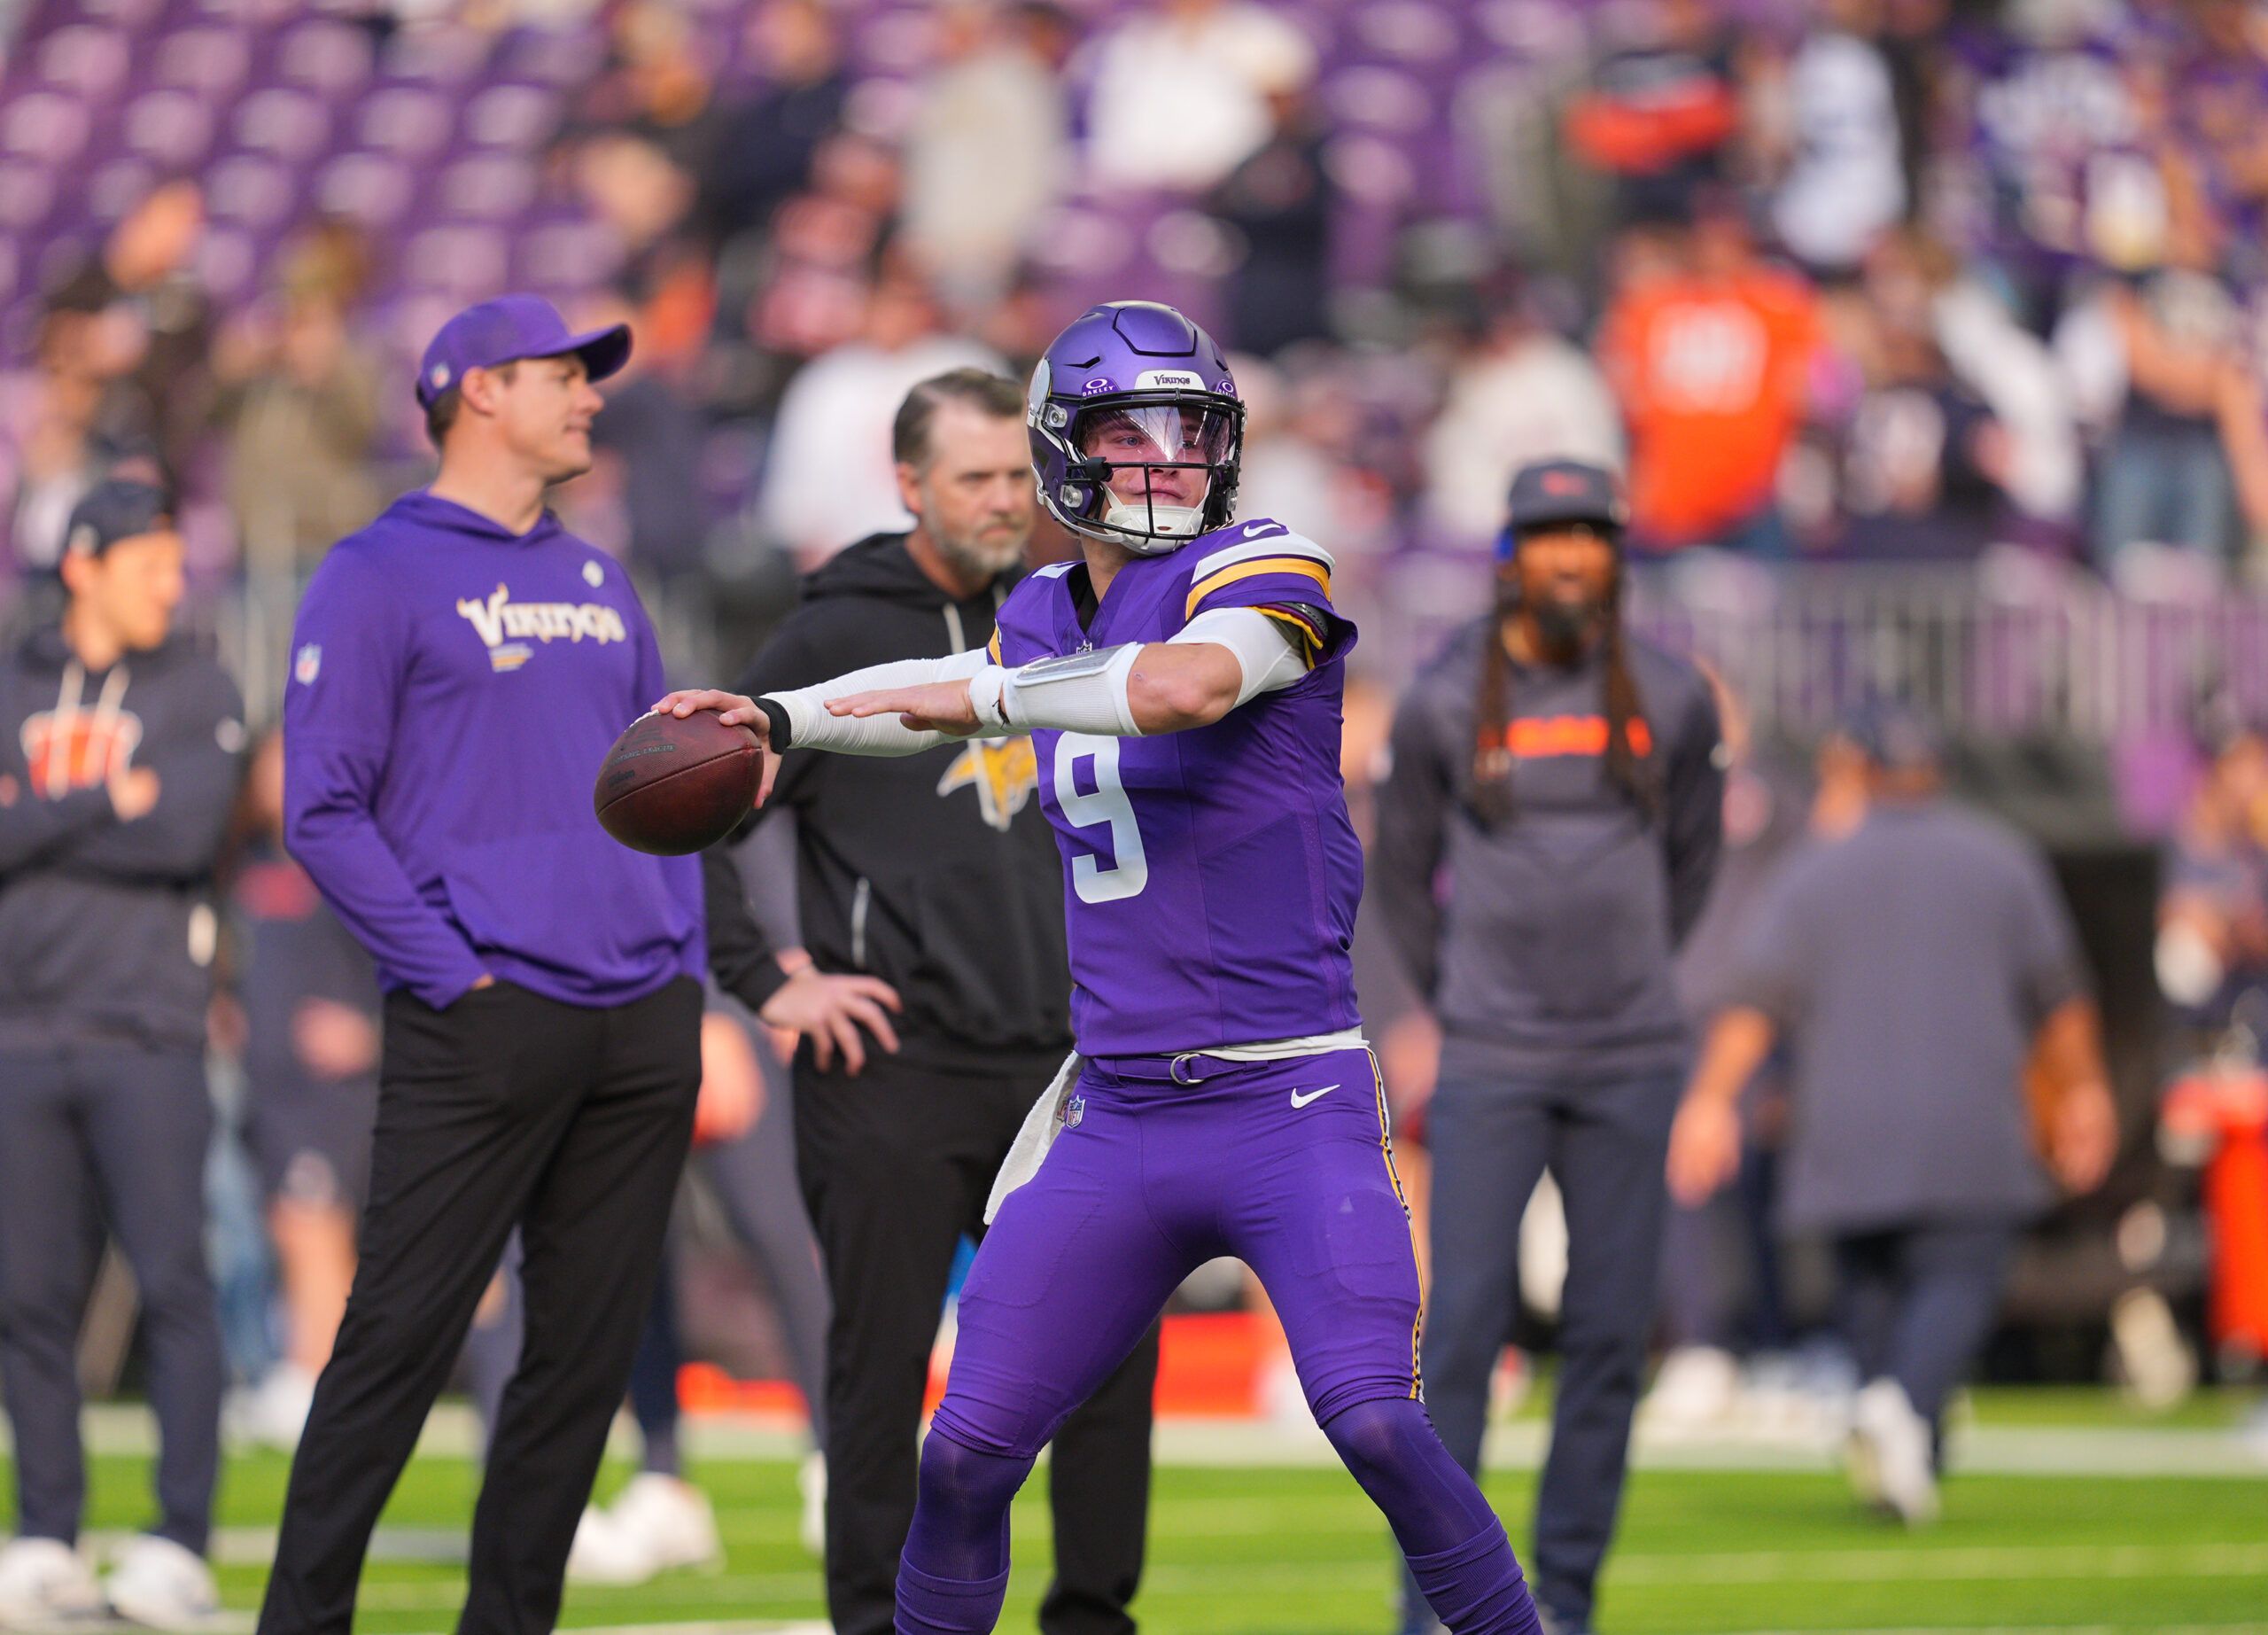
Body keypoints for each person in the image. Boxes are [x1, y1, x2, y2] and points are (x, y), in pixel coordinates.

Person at [659, 300, 1545, 1635]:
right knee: (961, 1455)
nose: (1165, 461)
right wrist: (779, 718)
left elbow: (1181, 687)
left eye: (1188, 431)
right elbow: (933, 691)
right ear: (1065, 449)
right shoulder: (1037, 606)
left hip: (1283, 1101)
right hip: (1120, 1115)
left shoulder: (1268, 563)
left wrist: (994, 694)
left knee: (1372, 1423)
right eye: (1129, 431)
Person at [258, 295, 706, 1635]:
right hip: (484, 1012)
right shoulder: (375, 572)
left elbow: (667, 787)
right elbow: (319, 807)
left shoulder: (599, 576)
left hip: (640, 1016)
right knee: (394, 1343)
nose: (588, 398)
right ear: (475, 393)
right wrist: (448, 973)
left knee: (576, 1372)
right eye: (562, 376)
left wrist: (684, 962)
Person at [701, 366, 1159, 1635]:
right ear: (909, 486)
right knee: (880, 1365)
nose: (1009, 501)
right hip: (891, 1063)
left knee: (1110, 1356)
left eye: (1020, 475)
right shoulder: (837, 632)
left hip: (1073, 1062)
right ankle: (875, 1620)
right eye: (976, 479)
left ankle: (1091, 1617)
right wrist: (767, 980)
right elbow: (702, 804)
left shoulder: (1078, 613)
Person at [1373, 459, 1725, 1635]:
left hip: (1631, 1058)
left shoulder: (1672, 695)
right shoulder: (1440, 698)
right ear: (1510, 554)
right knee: (1461, 1332)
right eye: (1548, 534)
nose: (1571, 555)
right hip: (1492, 1060)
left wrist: (1622, 978)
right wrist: (1468, 996)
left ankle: (1564, 1599)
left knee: (1609, 1336)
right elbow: (1402, 878)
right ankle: (1438, 1607)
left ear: (1617, 555)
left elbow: (1693, 865)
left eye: (1591, 535)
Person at [1667, 703, 2119, 1524]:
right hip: (1968, 1133)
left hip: (1844, 1138)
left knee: (1872, 1304)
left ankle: (1902, 1447)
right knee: (1954, 1282)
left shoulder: (1812, 870)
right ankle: (1905, 1409)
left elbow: (1752, 1004)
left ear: (1863, 771)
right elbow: (2061, 1002)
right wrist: (2085, 1094)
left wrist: (1709, 1099)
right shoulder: (2002, 857)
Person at [0, 479, 245, 1627]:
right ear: (85, 564)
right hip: (19, 1031)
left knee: (174, 1285)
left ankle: (176, 1539)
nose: (171, 585)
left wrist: (40, 811)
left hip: (150, 1029)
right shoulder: (11, 674)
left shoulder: (199, 679)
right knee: (25, 1298)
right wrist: (109, 796)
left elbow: (188, 829)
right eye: (150, 564)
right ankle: (46, 1531)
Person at [229, 728, 383, 1452]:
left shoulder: (356, 862)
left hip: (337, 1092)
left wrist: (372, 1033)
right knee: (288, 1224)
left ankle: (312, 1374)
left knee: (310, 1224)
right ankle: (321, 1373)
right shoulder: (246, 867)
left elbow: (409, 960)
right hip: (268, 1087)